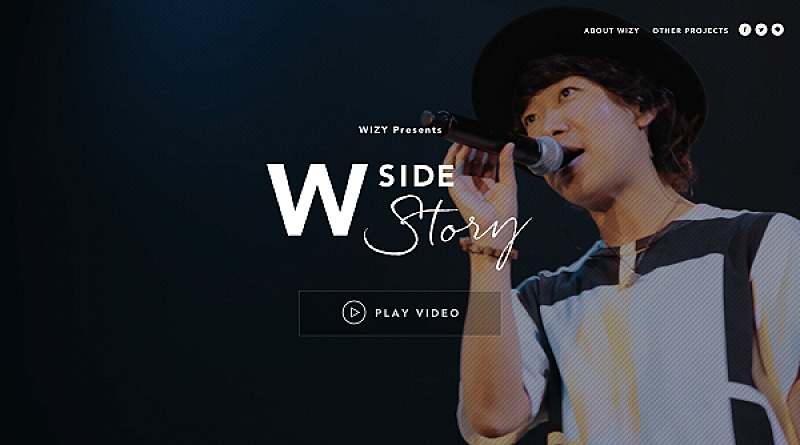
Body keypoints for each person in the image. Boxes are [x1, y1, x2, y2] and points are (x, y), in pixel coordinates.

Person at [445, 7, 800, 445]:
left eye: (567, 94)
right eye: (530, 120)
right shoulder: (540, 302)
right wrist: (489, 247)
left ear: (641, 107)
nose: (545, 129)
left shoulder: (758, 244)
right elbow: (492, 417)